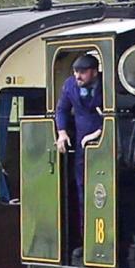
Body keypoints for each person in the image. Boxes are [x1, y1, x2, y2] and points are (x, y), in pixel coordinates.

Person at [54, 52, 105, 246]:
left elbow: (118, 110)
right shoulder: (69, 85)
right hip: (81, 144)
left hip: (105, 139)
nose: (78, 76)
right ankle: (86, 242)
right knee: (82, 189)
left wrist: (101, 131)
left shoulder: (106, 85)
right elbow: (62, 109)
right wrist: (62, 132)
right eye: (76, 72)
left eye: (82, 72)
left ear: (94, 72)